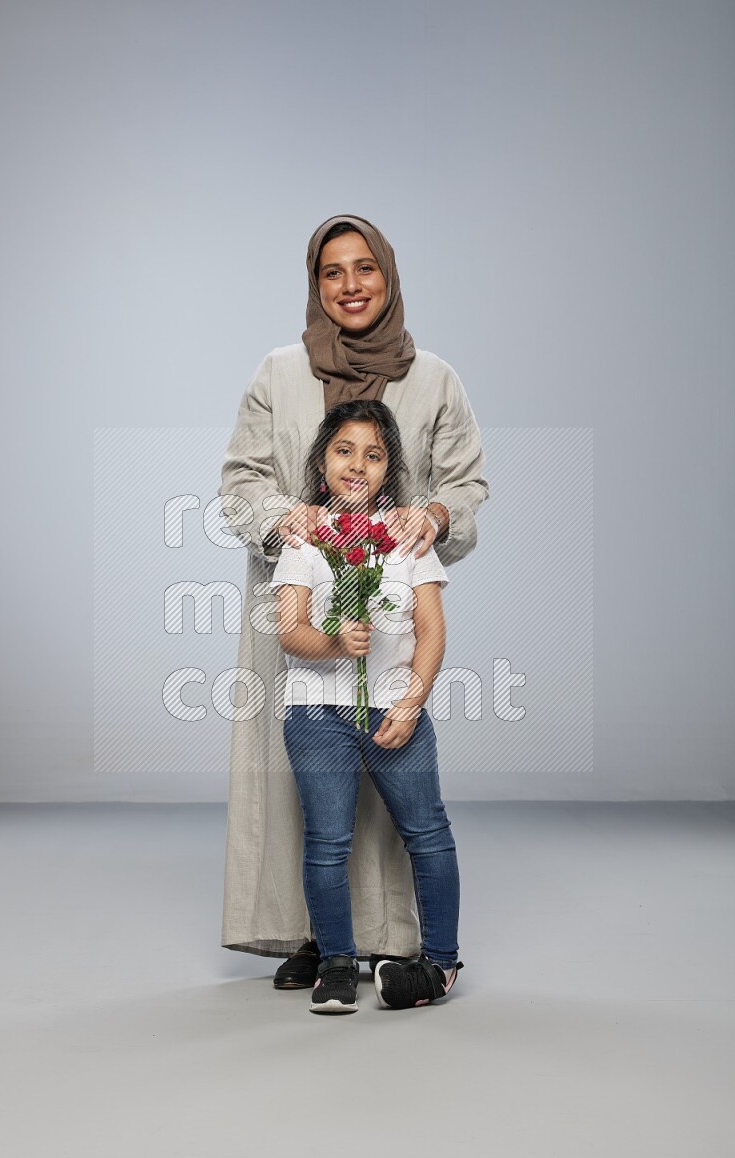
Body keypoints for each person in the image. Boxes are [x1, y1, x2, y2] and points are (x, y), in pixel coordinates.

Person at [217, 213, 489, 990]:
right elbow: (239, 483)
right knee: (310, 789)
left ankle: (401, 941)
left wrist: (431, 516)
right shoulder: (278, 372)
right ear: (315, 285)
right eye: (331, 272)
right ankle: (317, 937)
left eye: (363, 268)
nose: (349, 286)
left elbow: (467, 484)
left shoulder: (434, 378)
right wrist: (282, 517)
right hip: (303, 611)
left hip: (396, 619)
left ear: (389, 275)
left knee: (398, 781)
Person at [270, 399, 464, 1013]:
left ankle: (441, 962)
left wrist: (410, 704)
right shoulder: (306, 538)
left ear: (389, 469)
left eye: (374, 455)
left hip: (391, 708)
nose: (358, 465)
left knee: (427, 833)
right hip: (317, 712)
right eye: (344, 451)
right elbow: (289, 630)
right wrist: (332, 641)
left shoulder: (408, 541)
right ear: (323, 462)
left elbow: (431, 632)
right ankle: (334, 962)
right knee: (327, 841)